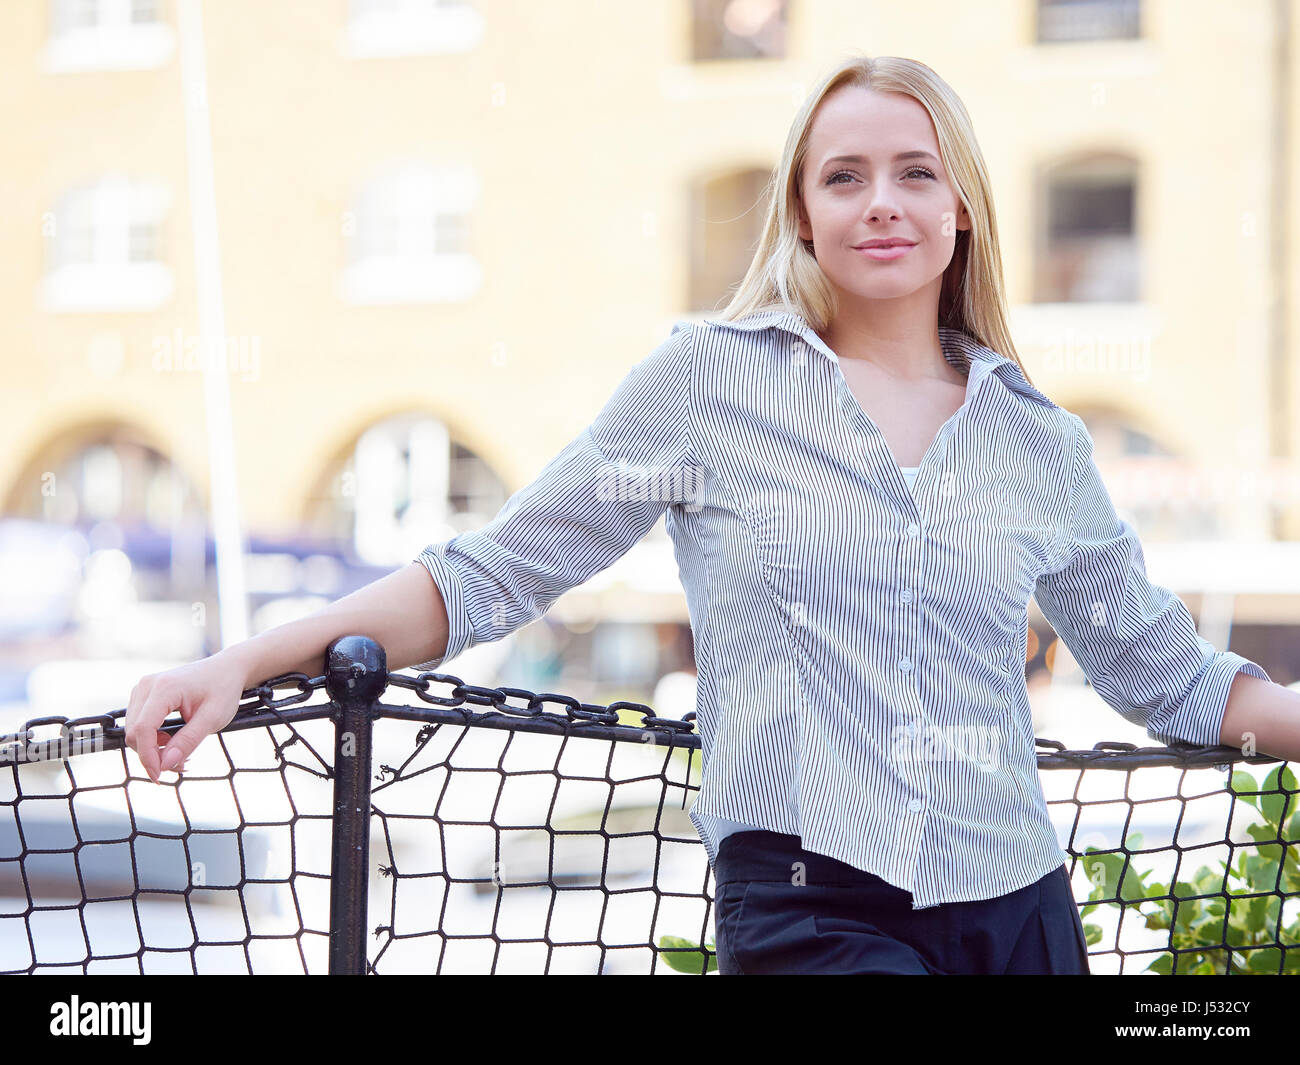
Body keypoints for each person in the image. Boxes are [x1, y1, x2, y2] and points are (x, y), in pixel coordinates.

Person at [126, 52, 1288, 975]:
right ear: (799, 212)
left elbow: (1168, 676)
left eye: (915, 172)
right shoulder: (705, 385)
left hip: (1017, 912)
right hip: (806, 902)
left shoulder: (1036, 438)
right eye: (843, 177)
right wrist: (244, 658)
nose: (880, 202)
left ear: (964, 209)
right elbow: (489, 576)